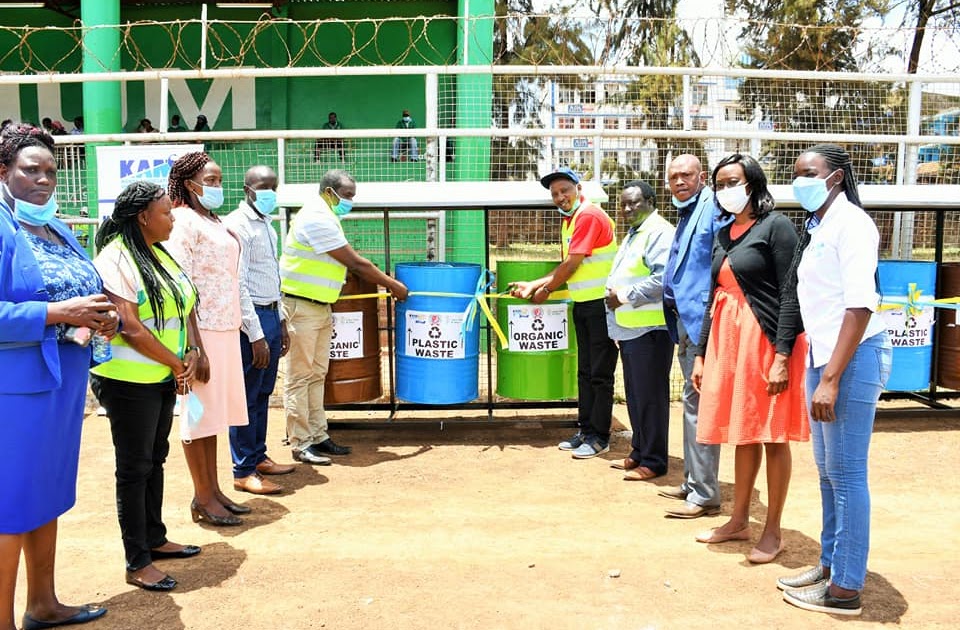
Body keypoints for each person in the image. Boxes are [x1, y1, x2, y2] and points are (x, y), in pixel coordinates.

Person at [0, 124, 115, 629]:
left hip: (61, 384)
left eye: (51, 170)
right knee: (10, 506)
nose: (43, 180)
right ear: (3, 172)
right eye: (31, 170)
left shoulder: (56, 229)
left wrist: (103, 317)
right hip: (15, 390)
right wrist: (57, 313)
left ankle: (42, 604)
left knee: (45, 493)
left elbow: (85, 291)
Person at [779, 144, 891, 616]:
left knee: (847, 474)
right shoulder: (819, 226)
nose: (801, 181)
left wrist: (831, 378)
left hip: (850, 361)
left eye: (811, 173)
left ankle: (845, 589)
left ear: (837, 177)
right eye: (796, 173)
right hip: (823, 358)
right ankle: (830, 564)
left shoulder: (853, 224)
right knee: (828, 473)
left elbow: (860, 305)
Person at [690, 154, 808, 563]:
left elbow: (790, 293)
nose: (725, 190)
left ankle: (772, 530)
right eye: (719, 184)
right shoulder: (724, 233)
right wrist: (701, 353)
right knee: (743, 432)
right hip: (729, 343)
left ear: (753, 183)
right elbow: (713, 296)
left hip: (765, 342)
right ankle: (738, 520)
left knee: (772, 435)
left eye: (733, 182)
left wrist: (782, 355)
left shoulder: (777, 227)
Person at [90, 181, 203, 592]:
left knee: (155, 457)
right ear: (143, 217)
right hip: (127, 380)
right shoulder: (116, 258)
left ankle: (155, 538)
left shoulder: (158, 253)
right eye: (166, 213)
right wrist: (176, 362)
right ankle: (137, 560)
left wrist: (191, 351)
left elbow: (183, 307)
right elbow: (131, 328)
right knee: (134, 468)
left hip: (160, 375)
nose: (172, 219)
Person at [280, 169, 408, 464]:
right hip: (301, 307)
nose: (350, 201)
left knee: (317, 374)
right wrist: (393, 285)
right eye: (347, 195)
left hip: (320, 306)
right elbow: (356, 263)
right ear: (329, 192)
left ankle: (318, 435)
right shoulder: (316, 217)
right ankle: (301, 442)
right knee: (300, 377)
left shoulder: (327, 215)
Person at [509, 168, 618, 459]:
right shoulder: (571, 221)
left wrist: (545, 290)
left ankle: (599, 437)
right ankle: (586, 430)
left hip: (601, 305)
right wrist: (534, 284)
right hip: (583, 304)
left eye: (564, 190)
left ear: (578, 188)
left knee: (599, 374)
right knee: (585, 372)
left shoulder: (589, 216)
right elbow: (567, 264)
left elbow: (571, 265)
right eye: (555, 194)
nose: (560, 197)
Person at [165, 151, 250, 526]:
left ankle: (214, 490)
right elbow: (180, 283)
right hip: (201, 331)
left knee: (214, 417)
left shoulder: (214, 221)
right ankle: (201, 496)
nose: (218, 186)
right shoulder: (183, 221)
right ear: (189, 184)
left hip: (225, 327)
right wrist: (193, 345)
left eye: (219, 180)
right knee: (197, 416)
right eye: (210, 181)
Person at [659, 153, 728, 518]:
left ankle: (704, 493)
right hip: (683, 320)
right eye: (673, 177)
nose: (679, 181)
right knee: (690, 404)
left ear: (702, 177)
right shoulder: (687, 211)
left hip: (703, 321)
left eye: (686, 175)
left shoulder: (713, 208)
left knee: (700, 405)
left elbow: (721, 264)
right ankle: (692, 482)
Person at [224, 166, 296, 495]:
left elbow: (271, 276)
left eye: (274, 187)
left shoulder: (267, 224)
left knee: (264, 392)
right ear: (247, 189)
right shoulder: (237, 225)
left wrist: (281, 320)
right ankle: (243, 469)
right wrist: (255, 333)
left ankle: (258, 456)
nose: (270, 193)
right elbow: (237, 283)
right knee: (247, 395)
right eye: (264, 187)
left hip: (270, 312)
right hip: (250, 317)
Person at [604, 180, 675, 480]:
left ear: (650, 202)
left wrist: (622, 296)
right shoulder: (636, 233)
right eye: (623, 204)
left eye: (633, 202)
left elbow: (662, 279)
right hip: (632, 329)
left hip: (651, 330)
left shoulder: (659, 232)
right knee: (635, 395)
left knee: (651, 397)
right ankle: (640, 450)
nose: (627, 208)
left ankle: (654, 461)